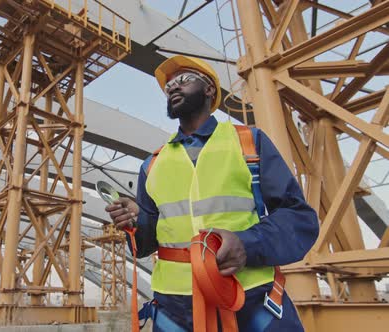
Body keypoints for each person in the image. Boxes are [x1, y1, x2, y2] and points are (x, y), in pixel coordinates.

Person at [105, 55, 319, 331]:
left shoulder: (249, 144)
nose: (172, 87)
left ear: (209, 90)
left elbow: (297, 216)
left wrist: (247, 244)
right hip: (175, 309)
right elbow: (145, 244)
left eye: (183, 80)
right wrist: (134, 223)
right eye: (168, 86)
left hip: (249, 299)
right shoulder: (153, 164)